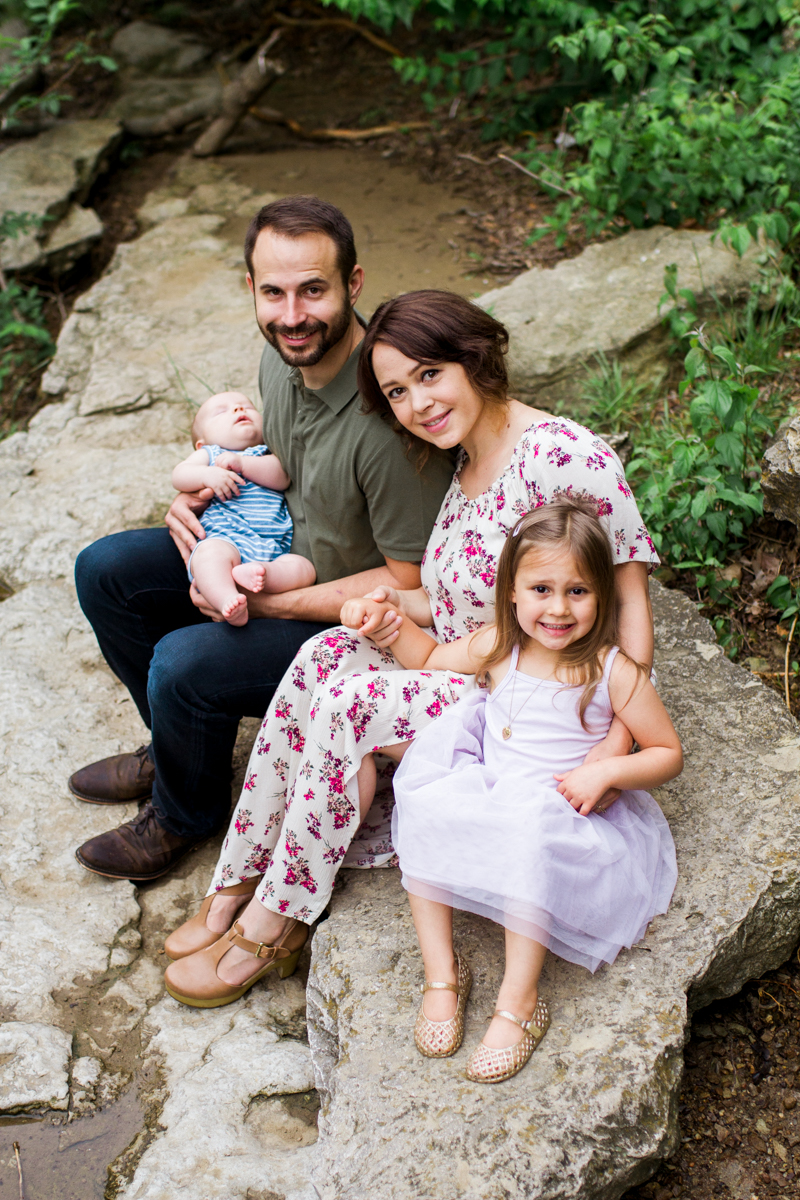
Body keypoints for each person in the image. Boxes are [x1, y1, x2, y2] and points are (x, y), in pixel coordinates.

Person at [161, 289, 661, 1010]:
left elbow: (631, 622)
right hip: (447, 660)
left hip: (522, 694)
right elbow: (455, 598)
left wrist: (608, 755)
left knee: (349, 702)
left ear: (476, 357)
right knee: (323, 656)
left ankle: (276, 922)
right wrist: (386, 609)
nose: (417, 403)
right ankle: (240, 877)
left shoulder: (565, 457)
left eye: (430, 374)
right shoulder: (460, 464)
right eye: (397, 390)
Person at [69, 197, 454, 882]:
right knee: (106, 570)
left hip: (341, 620)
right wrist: (196, 497)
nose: (293, 315)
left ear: (353, 284)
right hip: (262, 543)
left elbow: (412, 585)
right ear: (251, 288)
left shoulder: (388, 425)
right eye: (273, 292)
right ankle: (175, 745)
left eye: (314, 289)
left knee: (181, 663)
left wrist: (273, 606)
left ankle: (185, 812)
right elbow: (266, 453)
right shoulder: (281, 359)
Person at [342, 499, 681, 1083]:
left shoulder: (612, 671)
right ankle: (443, 973)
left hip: (557, 809)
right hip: (490, 785)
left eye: (578, 591)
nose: (557, 608)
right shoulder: (503, 644)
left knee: (526, 836)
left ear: (603, 595)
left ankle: (520, 1001)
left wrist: (607, 772)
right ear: (513, 594)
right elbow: (427, 658)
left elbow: (667, 753)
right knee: (426, 802)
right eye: (541, 589)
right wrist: (390, 626)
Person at [172, 390, 315, 626]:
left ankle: (261, 574)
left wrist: (243, 463)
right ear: (202, 442)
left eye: (246, 406)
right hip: (226, 539)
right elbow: (179, 475)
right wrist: (207, 474)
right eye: (221, 411)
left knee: (304, 569)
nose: (238, 410)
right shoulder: (210, 454)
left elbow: (282, 478)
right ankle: (228, 600)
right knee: (208, 555)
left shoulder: (268, 453)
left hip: (273, 548)